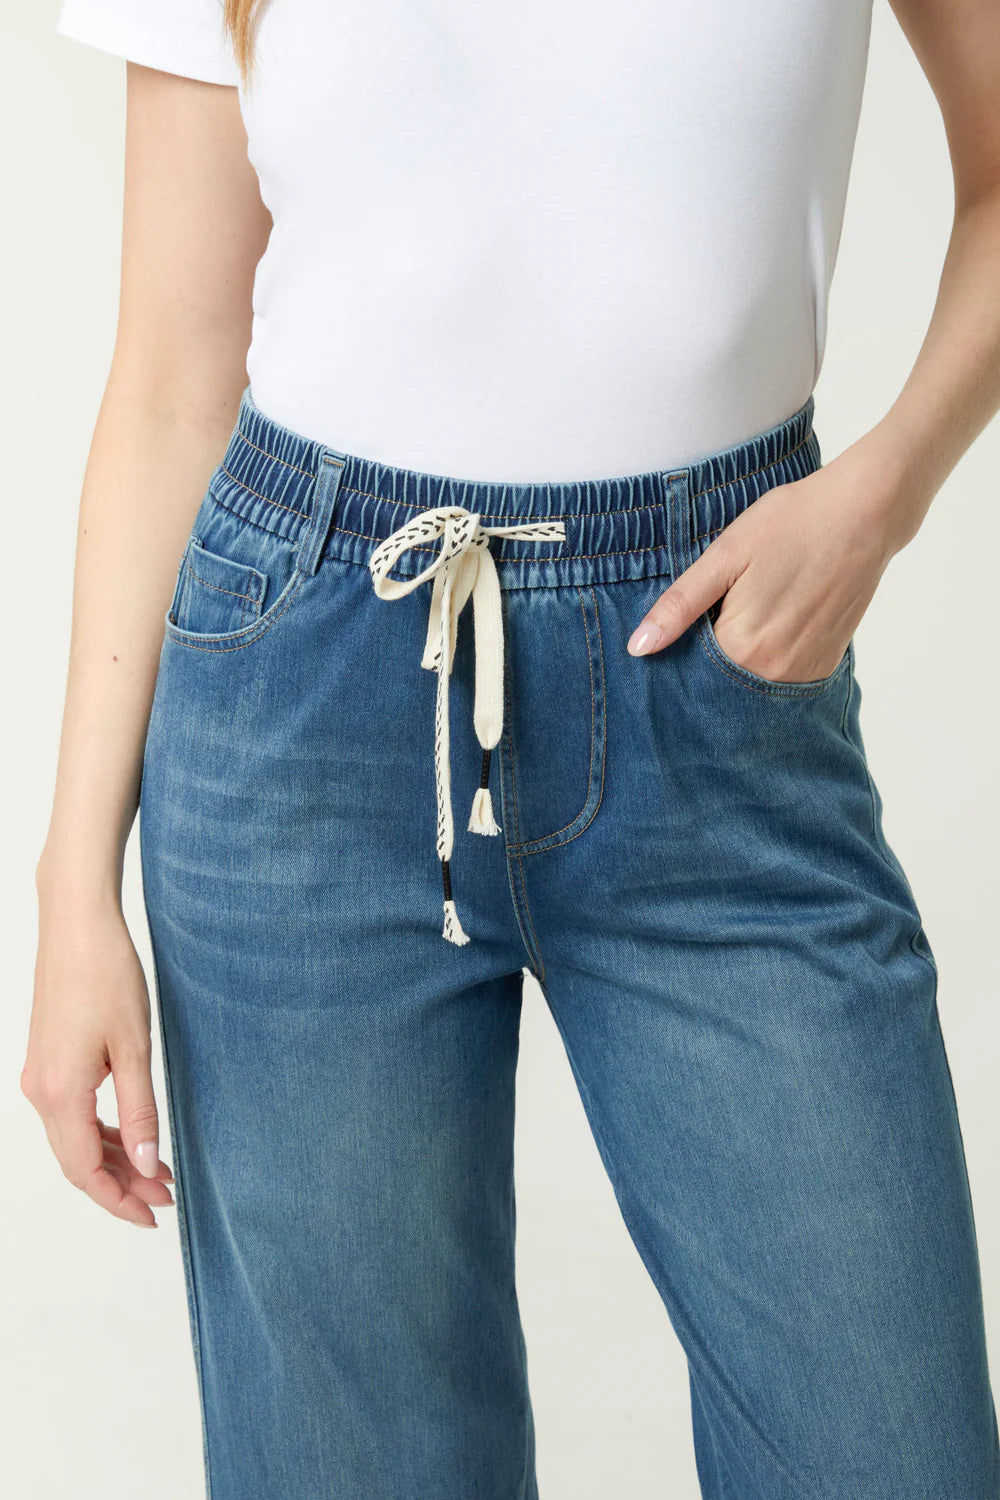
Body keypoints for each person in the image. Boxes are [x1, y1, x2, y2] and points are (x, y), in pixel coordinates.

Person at [23, 0, 1000, 1495]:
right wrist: (73, 887)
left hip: (715, 676)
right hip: (300, 714)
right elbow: (170, 377)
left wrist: (888, 490)